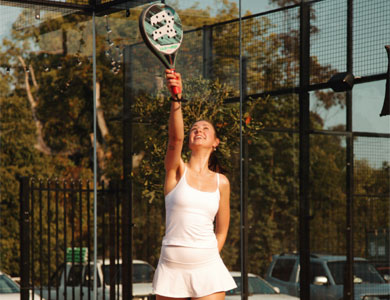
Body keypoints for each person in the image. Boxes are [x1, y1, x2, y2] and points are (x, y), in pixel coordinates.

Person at [152, 70, 237, 300]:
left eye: (205, 128)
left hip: (207, 267)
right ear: (189, 140)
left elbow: (222, 230)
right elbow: (174, 138)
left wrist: (206, 256)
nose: (199, 130)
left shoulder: (222, 182)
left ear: (215, 143)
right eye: (194, 129)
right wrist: (176, 97)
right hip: (171, 267)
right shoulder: (176, 170)